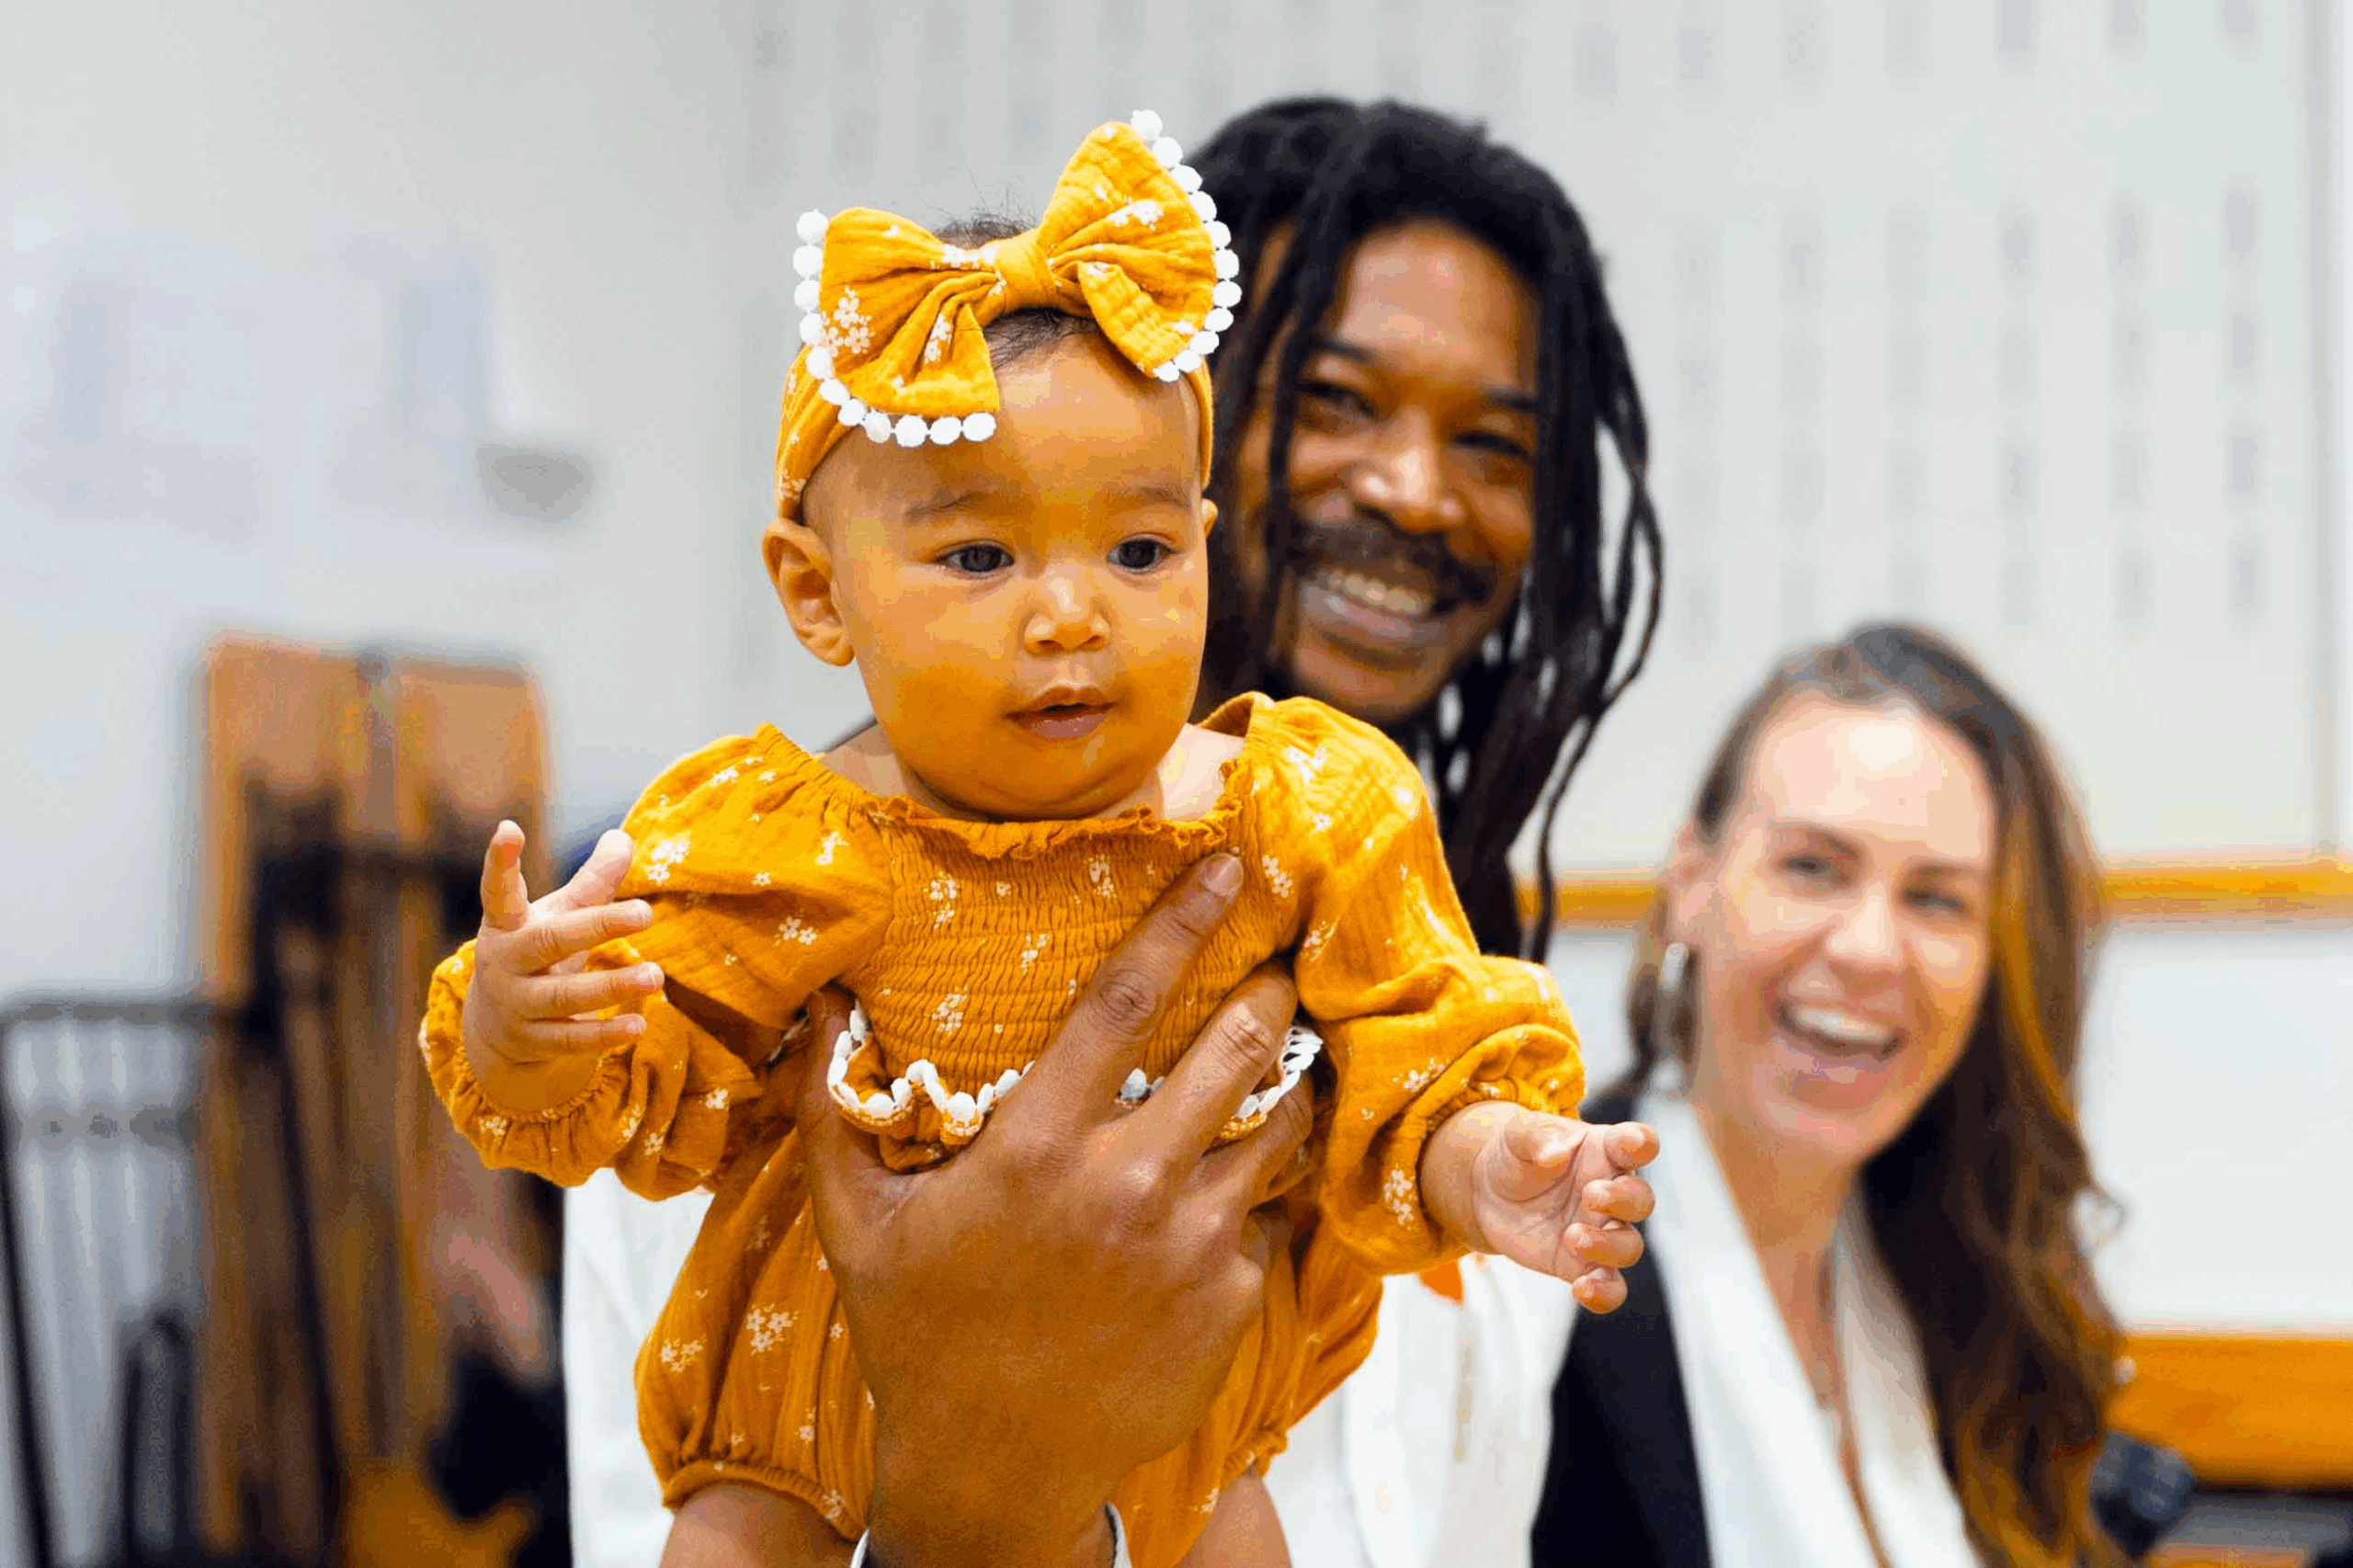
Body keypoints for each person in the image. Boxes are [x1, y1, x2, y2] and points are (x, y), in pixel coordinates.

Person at [426, 112, 1657, 1568]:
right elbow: (606, 1111)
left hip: (1213, 1459)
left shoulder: (1365, 873)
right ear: (821, 593)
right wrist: (979, 1481)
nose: (1409, 485)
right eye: (1334, 400)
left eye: (1135, 546)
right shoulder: (787, 885)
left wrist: (1477, 1153)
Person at [1530, 623, 2127, 1568]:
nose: (1864, 947)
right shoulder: (1541, 1267)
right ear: (1691, 879)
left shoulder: (1954, 1274)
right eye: (1812, 866)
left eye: (1937, 899)